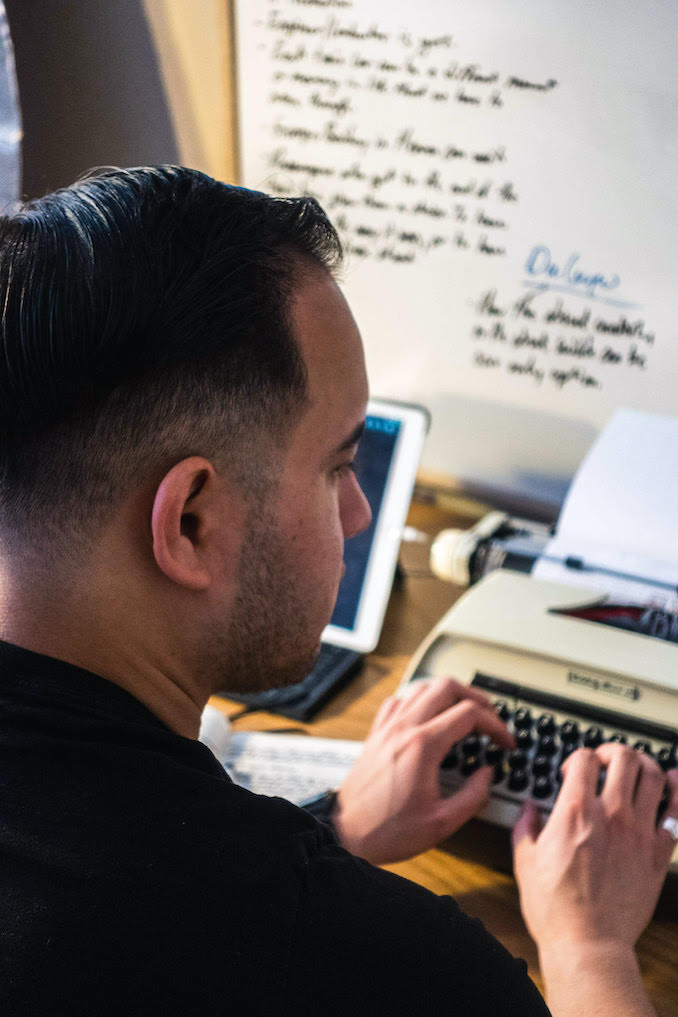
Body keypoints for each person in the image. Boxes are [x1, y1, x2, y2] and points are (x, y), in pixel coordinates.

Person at [0, 166, 674, 1017]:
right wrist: (591, 949)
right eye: (339, 465)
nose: (359, 515)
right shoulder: (386, 963)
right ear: (192, 522)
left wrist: (336, 824)